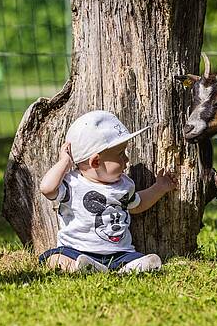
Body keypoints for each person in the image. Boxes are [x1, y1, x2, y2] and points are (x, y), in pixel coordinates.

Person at [38, 110, 176, 273]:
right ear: (95, 161)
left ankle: (128, 267)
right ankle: (82, 266)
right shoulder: (71, 183)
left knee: (141, 258)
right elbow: (47, 189)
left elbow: (138, 204)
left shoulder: (125, 185)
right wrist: (64, 162)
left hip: (120, 253)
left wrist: (159, 188)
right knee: (53, 258)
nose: (126, 159)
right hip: (76, 251)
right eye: (120, 154)